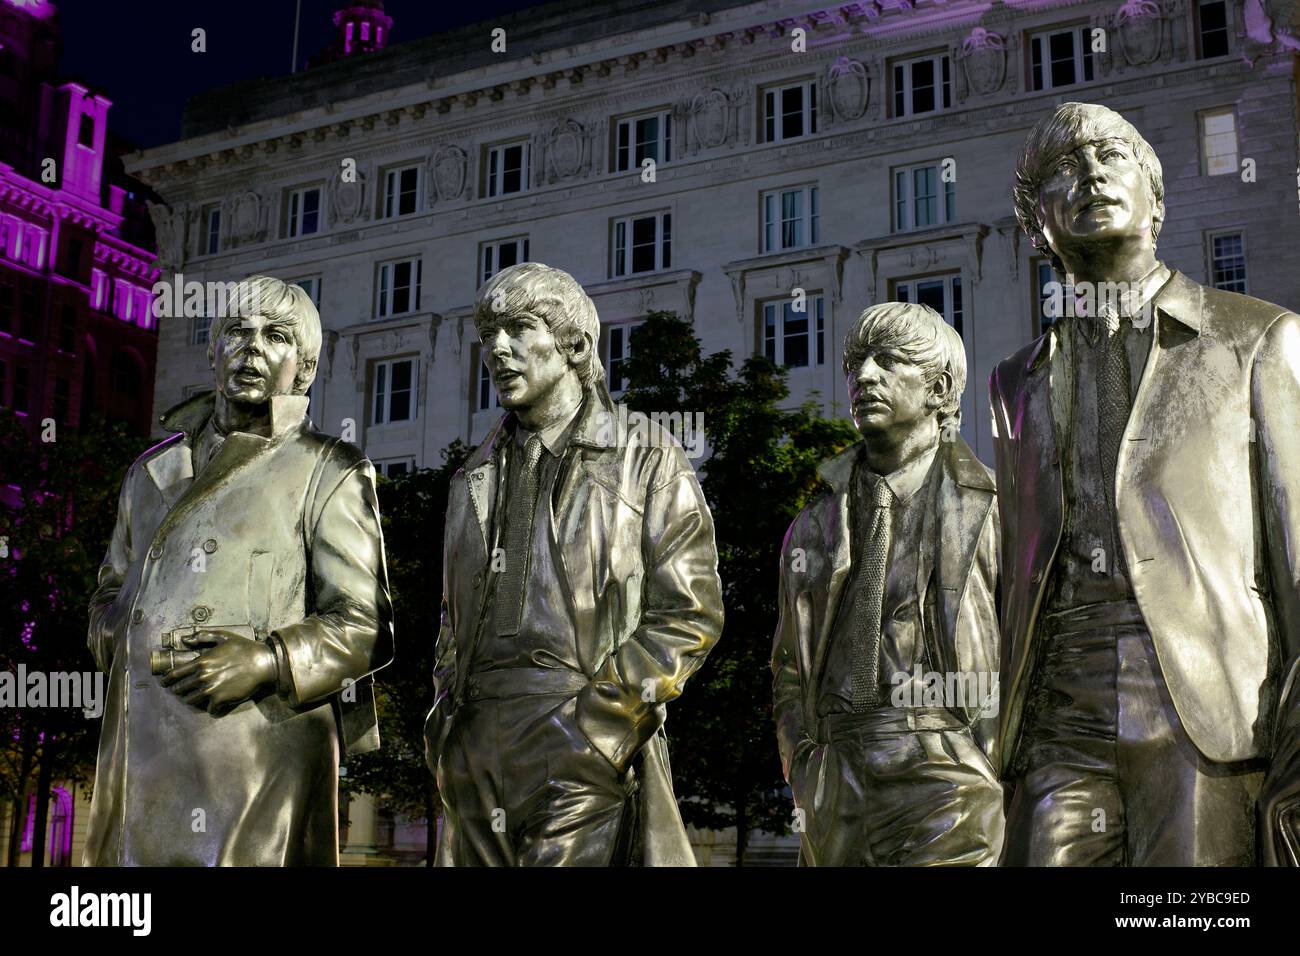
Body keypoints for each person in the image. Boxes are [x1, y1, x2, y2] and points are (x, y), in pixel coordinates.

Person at [991, 102, 1300, 865]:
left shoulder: (1258, 338)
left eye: (1111, 155)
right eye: (1064, 167)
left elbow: (1298, 548)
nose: (1091, 172)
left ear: (1156, 199)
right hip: (1054, 711)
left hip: (1204, 706)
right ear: (1038, 225)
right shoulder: (1013, 383)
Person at [84, 275, 393, 865]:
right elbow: (111, 586)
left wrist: (266, 659)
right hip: (141, 746)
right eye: (236, 332)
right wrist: (120, 636)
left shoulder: (328, 467)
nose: (251, 348)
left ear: (303, 370)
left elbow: (363, 623)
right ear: (212, 350)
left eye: (276, 336)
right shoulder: (151, 470)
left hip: (255, 755)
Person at [425, 262, 723, 866]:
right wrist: (444, 730)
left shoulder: (645, 454)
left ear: (575, 345)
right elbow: (452, 625)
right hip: (474, 742)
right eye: (487, 337)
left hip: (580, 729)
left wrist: (605, 724)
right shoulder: (470, 478)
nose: (497, 350)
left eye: (518, 329)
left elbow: (689, 612)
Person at [772, 301, 1003, 866]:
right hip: (834, 779)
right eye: (855, 363)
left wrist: (985, 759)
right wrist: (803, 759)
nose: (863, 375)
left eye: (889, 361)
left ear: (939, 387)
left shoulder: (994, 506)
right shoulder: (814, 523)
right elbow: (786, 665)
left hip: (948, 772)